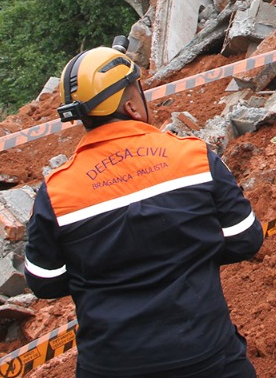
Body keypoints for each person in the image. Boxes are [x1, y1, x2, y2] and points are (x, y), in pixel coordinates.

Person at [24, 44, 263, 377]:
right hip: (205, 354)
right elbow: (246, 238)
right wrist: (190, 250)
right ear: (132, 105)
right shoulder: (194, 159)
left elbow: (43, 281)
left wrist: (100, 273)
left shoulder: (57, 192)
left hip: (110, 364)